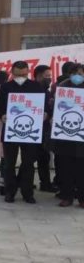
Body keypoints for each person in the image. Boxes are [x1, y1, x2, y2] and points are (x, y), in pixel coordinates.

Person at [0, 60, 49, 204]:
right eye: (18, 74)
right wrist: (2, 115)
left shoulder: (36, 86)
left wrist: (46, 114)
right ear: (12, 73)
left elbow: (46, 104)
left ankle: (27, 192)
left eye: (24, 74)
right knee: (9, 163)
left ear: (28, 73)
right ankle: (9, 192)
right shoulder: (6, 87)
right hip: (10, 131)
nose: (21, 77)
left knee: (28, 163)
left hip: (31, 132)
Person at [52, 63, 84, 208]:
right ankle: (67, 196)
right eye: (75, 73)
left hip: (82, 135)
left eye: (81, 73)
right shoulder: (63, 86)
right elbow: (53, 104)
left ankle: (82, 198)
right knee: (65, 167)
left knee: (81, 168)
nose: (78, 76)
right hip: (65, 134)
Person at [32, 65, 57, 193]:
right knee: (32, 157)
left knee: (43, 157)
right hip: (32, 130)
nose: (50, 79)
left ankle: (45, 183)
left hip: (44, 129)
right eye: (47, 76)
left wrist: (49, 111)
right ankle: (22, 181)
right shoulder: (32, 89)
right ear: (39, 76)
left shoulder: (46, 91)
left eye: (50, 76)